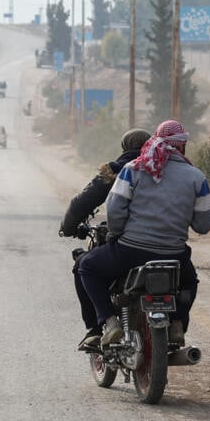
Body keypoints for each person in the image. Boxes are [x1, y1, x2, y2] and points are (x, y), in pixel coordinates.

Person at [78, 120, 210, 348]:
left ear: (156, 141)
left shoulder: (134, 169)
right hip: (174, 255)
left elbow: (114, 212)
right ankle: (177, 323)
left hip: (130, 251)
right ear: (182, 147)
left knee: (87, 267)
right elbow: (204, 224)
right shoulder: (196, 177)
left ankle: (110, 322)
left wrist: (118, 233)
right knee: (190, 282)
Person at [60, 128, 151, 348]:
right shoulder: (165, 168)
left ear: (124, 148)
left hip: (128, 244)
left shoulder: (118, 170)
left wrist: (68, 227)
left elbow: (82, 202)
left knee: (84, 265)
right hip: (167, 245)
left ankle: (97, 328)